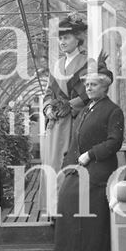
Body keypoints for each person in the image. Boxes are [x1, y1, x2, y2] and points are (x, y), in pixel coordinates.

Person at [54, 54, 124, 251]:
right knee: (66, 198)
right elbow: (76, 141)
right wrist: (69, 165)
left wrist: (91, 154)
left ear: (105, 88)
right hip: (79, 167)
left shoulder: (113, 110)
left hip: (99, 168)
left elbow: (115, 142)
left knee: (86, 207)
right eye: (88, 85)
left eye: (94, 85)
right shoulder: (86, 109)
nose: (90, 88)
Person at [39, 13, 91, 216]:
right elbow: (48, 93)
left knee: (71, 163)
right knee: (53, 164)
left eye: (66, 37)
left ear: (78, 38)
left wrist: (70, 105)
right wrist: (49, 109)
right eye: (60, 38)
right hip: (56, 125)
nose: (62, 42)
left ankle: (71, 211)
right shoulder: (56, 66)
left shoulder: (88, 63)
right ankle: (53, 211)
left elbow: (90, 91)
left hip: (77, 122)